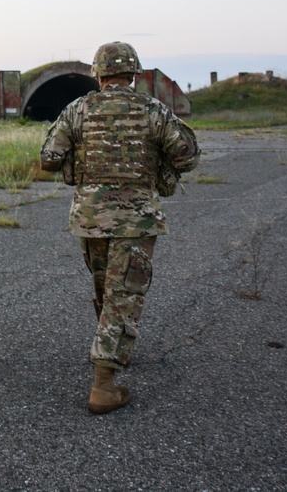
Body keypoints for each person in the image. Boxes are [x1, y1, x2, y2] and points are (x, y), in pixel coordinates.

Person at [40, 42, 199, 414]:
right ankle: (104, 385)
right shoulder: (153, 109)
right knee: (122, 294)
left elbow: (49, 159)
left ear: (98, 74)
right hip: (136, 217)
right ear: (134, 73)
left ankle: (111, 348)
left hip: (90, 217)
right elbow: (187, 157)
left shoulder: (78, 109)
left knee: (107, 290)